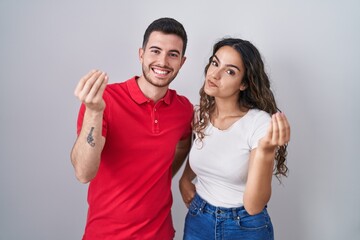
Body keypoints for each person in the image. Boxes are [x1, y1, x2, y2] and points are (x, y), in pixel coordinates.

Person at [70, 17, 193, 240]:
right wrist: (94, 112)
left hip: (160, 234)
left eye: (172, 54)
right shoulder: (103, 100)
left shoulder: (184, 110)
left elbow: (185, 143)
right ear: (141, 54)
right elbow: (83, 173)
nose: (163, 61)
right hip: (105, 235)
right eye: (155, 51)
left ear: (182, 62)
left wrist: (162, 176)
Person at [179, 38, 290, 240]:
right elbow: (202, 153)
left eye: (230, 71)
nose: (215, 74)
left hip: (244, 226)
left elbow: (254, 205)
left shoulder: (259, 124)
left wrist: (266, 152)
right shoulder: (201, 114)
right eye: (215, 63)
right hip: (199, 218)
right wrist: (185, 179)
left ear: (244, 84)